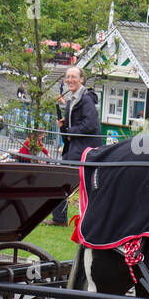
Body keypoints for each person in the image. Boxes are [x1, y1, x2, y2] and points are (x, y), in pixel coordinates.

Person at [51, 65, 100, 224]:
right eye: (68, 77)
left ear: (81, 79)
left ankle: (61, 218)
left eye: (73, 77)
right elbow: (76, 125)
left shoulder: (85, 99)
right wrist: (63, 126)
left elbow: (90, 124)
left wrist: (70, 130)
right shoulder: (74, 98)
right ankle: (60, 217)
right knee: (74, 183)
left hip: (83, 149)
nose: (70, 80)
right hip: (75, 147)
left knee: (62, 179)